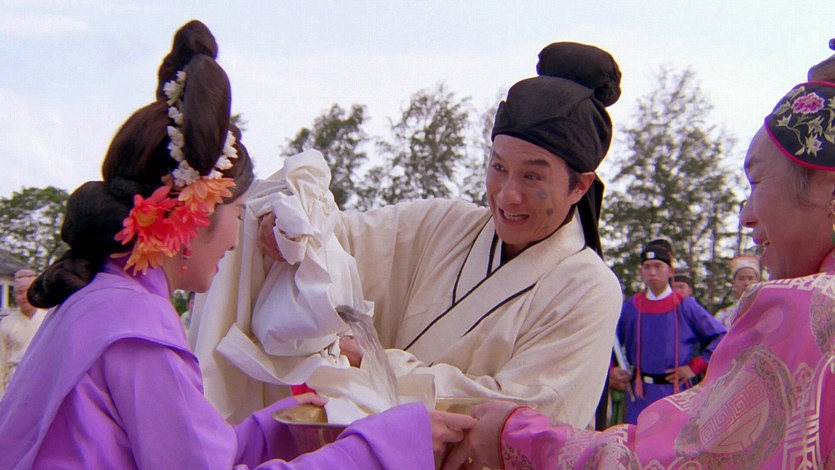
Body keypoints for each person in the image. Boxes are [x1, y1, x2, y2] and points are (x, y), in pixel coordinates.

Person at [0, 20, 473, 469]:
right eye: (240, 215)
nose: (235, 241)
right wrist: (386, 444)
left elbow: (184, 451)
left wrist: (273, 429)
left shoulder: (103, 300)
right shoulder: (138, 330)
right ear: (195, 216)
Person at [442, 42, 835, 469]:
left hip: (668, 399)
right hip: (641, 398)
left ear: (579, 187)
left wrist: (518, 438)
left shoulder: (809, 308)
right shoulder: (632, 306)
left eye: (757, 183)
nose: (746, 216)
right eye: (498, 167)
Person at [191, 41, 624, 428]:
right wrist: (287, 221)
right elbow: (336, 240)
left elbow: (528, 415)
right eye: (498, 167)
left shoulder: (589, 289)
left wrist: (378, 366)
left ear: (580, 186)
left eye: (532, 176)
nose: (507, 194)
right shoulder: (443, 224)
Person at [609, 240, 726, 424]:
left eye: (658, 266)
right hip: (640, 395)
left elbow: (721, 337)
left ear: (670, 271)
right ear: (641, 272)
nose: (652, 272)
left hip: (676, 393)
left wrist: (694, 367)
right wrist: (612, 369)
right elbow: (610, 341)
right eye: (647, 267)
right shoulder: (632, 306)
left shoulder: (685, 305)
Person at [0, 268, 46, 397]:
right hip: (14, 382)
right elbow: (1, 362)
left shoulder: (48, 318)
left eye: (28, 291)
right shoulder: (7, 323)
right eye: (19, 292)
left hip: (42, 381)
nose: (24, 297)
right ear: (14, 295)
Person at [714, 254, 761, 327]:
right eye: (741, 279)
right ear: (733, 283)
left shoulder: (766, 313)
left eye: (750, 278)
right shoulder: (723, 316)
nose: (746, 283)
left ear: (758, 282)